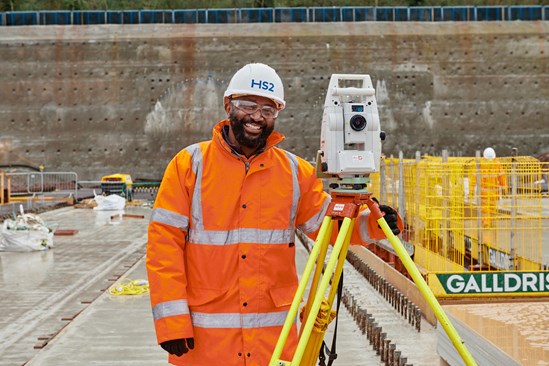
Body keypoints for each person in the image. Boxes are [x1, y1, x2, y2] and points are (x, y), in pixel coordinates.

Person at [146, 63, 402, 366]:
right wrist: (172, 321)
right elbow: (163, 247)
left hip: (273, 342)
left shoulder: (295, 172)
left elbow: (327, 226)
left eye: (268, 109)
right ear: (228, 105)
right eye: (248, 105)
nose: (257, 116)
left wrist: (374, 223)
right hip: (206, 344)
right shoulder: (190, 165)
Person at [470, 147, 507, 227]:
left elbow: (473, 179)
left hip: (483, 193)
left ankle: (486, 223)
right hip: (494, 192)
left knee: (485, 209)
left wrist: (471, 191)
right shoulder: (497, 164)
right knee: (492, 208)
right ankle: (490, 223)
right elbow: (502, 179)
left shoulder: (479, 165)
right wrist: (504, 191)